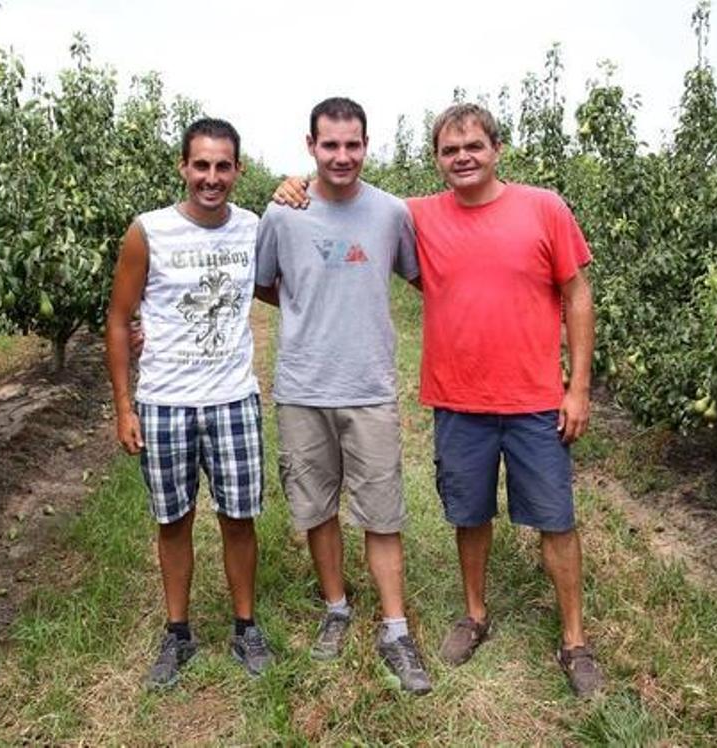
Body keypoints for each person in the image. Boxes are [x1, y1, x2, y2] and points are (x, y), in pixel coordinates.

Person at [275, 103, 603, 697]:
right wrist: (292, 186)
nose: (463, 158)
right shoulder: (415, 215)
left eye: (474, 146)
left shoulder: (544, 207)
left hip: (534, 399)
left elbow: (578, 294)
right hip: (458, 398)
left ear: (497, 148)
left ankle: (575, 642)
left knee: (556, 519)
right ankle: (475, 615)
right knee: (468, 514)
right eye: (450, 151)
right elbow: (345, 206)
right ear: (437, 159)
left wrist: (577, 387)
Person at [254, 97, 431, 695]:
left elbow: (419, 278)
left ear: (366, 144)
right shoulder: (281, 215)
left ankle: (395, 627)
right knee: (317, 506)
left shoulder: (390, 213)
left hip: (370, 387)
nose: (342, 156)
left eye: (352, 145)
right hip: (303, 386)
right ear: (310, 147)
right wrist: (312, 310)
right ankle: (336, 607)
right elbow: (267, 287)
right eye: (330, 145)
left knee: (381, 511)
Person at [105, 117, 272, 689]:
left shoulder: (253, 228)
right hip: (166, 403)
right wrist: (125, 407)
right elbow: (118, 317)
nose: (211, 177)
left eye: (223, 166)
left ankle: (245, 626)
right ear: (183, 167)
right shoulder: (147, 232)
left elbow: (279, 283)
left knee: (239, 519)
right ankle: (178, 633)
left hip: (231, 399)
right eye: (201, 164)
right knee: (173, 520)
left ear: (238, 171)